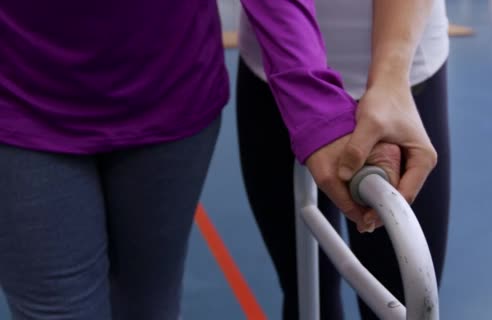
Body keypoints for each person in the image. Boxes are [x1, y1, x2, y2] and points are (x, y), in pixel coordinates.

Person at [0, 1, 427, 319]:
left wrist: (316, 109)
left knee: (149, 300)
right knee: (57, 310)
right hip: (18, 93)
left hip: (168, 90)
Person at [236, 0, 450, 319]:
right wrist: (310, 99)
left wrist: (391, 76)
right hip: (280, 76)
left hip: (404, 82)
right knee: (307, 293)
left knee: (398, 297)